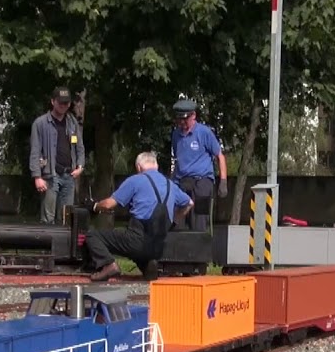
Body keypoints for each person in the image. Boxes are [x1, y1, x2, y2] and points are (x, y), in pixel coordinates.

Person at [87, 152, 193, 282]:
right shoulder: (170, 184)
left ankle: (108, 265)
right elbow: (189, 203)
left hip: (137, 239)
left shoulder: (135, 180)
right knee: (138, 248)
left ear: (138, 167)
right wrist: (174, 221)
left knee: (93, 236)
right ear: (156, 166)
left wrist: (94, 206)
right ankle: (148, 265)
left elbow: (109, 204)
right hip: (159, 246)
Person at [29, 86, 85, 225]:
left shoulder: (72, 123)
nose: (63, 105)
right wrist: (37, 177)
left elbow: (79, 147)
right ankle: (46, 239)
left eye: (66, 103)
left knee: (66, 219)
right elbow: (35, 151)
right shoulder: (40, 123)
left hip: (69, 175)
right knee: (48, 219)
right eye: (60, 102)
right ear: (53, 101)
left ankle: (64, 240)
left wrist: (80, 166)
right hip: (50, 176)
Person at [170, 98, 227, 231]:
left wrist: (223, 181)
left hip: (202, 181)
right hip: (182, 181)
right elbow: (177, 160)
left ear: (193, 116)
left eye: (185, 119)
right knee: (177, 221)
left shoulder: (204, 132)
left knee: (199, 221)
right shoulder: (176, 135)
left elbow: (220, 156)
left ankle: (200, 241)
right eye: (179, 119)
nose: (182, 122)